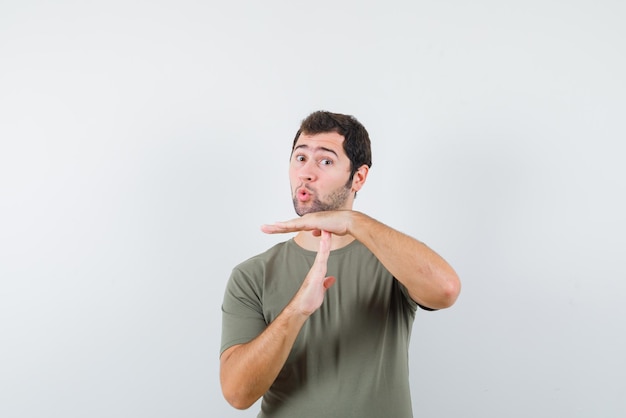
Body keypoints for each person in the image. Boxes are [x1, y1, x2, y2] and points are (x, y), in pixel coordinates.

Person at [220, 110, 461, 417]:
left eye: (325, 161)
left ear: (358, 177)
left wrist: (351, 221)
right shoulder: (251, 275)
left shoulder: (391, 258)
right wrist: (297, 310)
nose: (306, 173)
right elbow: (238, 394)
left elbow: (446, 289)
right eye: (300, 158)